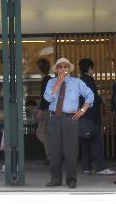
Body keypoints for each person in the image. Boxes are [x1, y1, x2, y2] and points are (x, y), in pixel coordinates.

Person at [44, 57, 94, 189]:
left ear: (69, 69)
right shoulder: (51, 82)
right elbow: (47, 98)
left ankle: (71, 179)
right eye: (60, 67)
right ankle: (55, 179)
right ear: (57, 69)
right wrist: (58, 83)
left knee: (70, 150)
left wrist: (82, 110)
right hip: (54, 118)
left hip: (70, 118)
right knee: (54, 150)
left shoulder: (77, 82)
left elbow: (90, 95)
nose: (63, 69)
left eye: (65, 66)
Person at [78, 59, 116, 176]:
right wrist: (101, 100)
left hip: (82, 115)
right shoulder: (89, 80)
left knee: (84, 141)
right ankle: (101, 167)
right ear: (90, 68)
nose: (93, 71)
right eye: (92, 69)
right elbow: (93, 97)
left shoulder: (79, 81)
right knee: (96, 141)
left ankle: (86, 166)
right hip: (91, 115)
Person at [36, 58, 52, 162]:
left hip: (46, 110)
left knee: (41, 133)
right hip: (49, 110)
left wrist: (40, 110)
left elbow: (45, 97)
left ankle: (51, 155)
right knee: (45, 133)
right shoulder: (49, 79)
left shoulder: (45, 80)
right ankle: (50, 156)